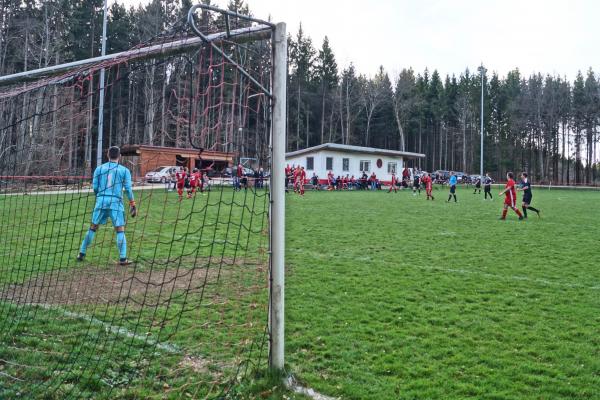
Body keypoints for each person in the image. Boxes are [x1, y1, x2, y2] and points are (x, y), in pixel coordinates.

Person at [77, 146, 136, 266]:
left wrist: (99, 197)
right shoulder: (124, 170)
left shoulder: (99, 169)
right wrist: (132, 203)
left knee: (93, 227)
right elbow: (128, 189)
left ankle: (81, 254)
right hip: (116, 203)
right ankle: (123, 258)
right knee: (120, 229)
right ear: (119, 156)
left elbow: (95, 187)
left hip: (101, 200)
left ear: (107, 155)